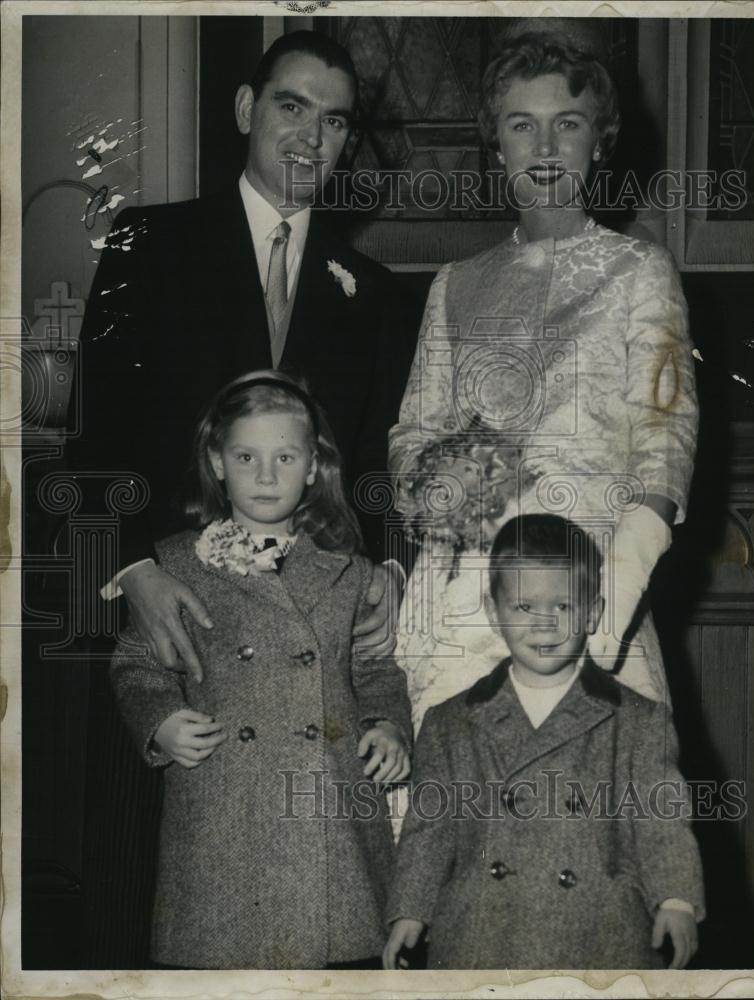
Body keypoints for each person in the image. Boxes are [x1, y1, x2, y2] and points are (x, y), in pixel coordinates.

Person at [72, 30, 420, 679]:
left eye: (333, 120)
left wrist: (395, 569)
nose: (310, 137)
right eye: (291, 107)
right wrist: (131, 572)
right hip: (169, 624)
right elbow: (95, 439)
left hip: (314, 640)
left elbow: (382, 460)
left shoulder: (376, 295)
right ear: (244, 110)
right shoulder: (146, 247)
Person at [388, 36, 698, 728]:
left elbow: (664, 437)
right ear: (496, 145)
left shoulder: (637, 270)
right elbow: (413, 434)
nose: (545, 146)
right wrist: (445, 488)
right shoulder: (455, 284)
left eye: (568, 123)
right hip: (462, 599)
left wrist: (610, 599)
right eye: (521, 124)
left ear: (599, 141)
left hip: (587, 591)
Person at [110, 371, 412, 969]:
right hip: (224, 805)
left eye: (285, 457)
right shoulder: (177, 564)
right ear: (218, 464)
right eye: (247, 456)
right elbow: (137, 662)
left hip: (329, 810)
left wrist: (388, 725)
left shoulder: (348, 570)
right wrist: (161, 721)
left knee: (336, 969)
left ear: (312, 468)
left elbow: (375, 669)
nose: (267, 475)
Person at [383, 514, 704, 971]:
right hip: (482, 933)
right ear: (494, 614)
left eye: (564, 606)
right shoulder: (449, 722)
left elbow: (662, 821)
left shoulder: (638, 721)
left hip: (599, 932)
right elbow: (428, 833)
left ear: (593, 612)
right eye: (523, 607)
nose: (544, 624)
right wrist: (409, 911)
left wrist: (677, 899)